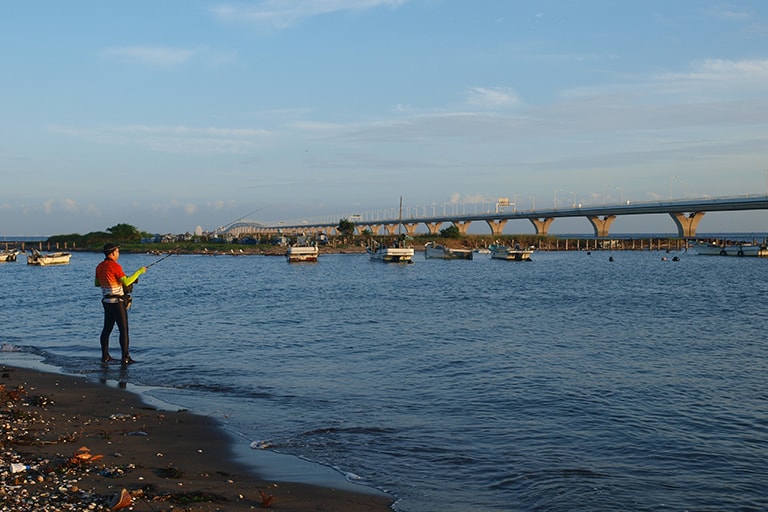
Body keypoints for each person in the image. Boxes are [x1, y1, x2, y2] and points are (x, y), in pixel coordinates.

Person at [95, 243, 146, 364]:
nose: (118, 254)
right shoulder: (115, 266)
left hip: (106, 301)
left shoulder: (99, 266)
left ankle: (105, 356)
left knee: (107, 329)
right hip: (117, 302)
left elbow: (97, 284)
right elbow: (127, 282)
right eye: (117, 251)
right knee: (124, 330)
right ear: (112, 253)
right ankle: (125, 357)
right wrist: (139, 271)